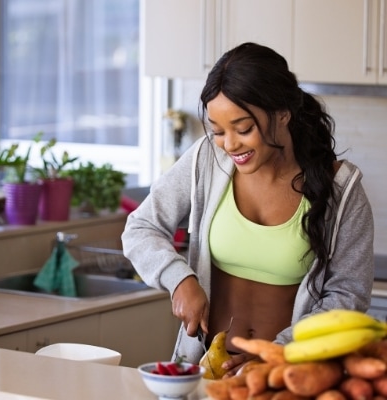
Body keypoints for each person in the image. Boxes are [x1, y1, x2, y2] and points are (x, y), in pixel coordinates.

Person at [121, 42, 374, 377]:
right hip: (206, 370)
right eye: (218, 131)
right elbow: (141, 228)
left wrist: (276, 354)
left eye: (243, 129)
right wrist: (180, 278)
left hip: (288, 375)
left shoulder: (341, 188)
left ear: (283, 113)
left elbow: (347, 295)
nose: (230, 144)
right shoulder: (207, 159)